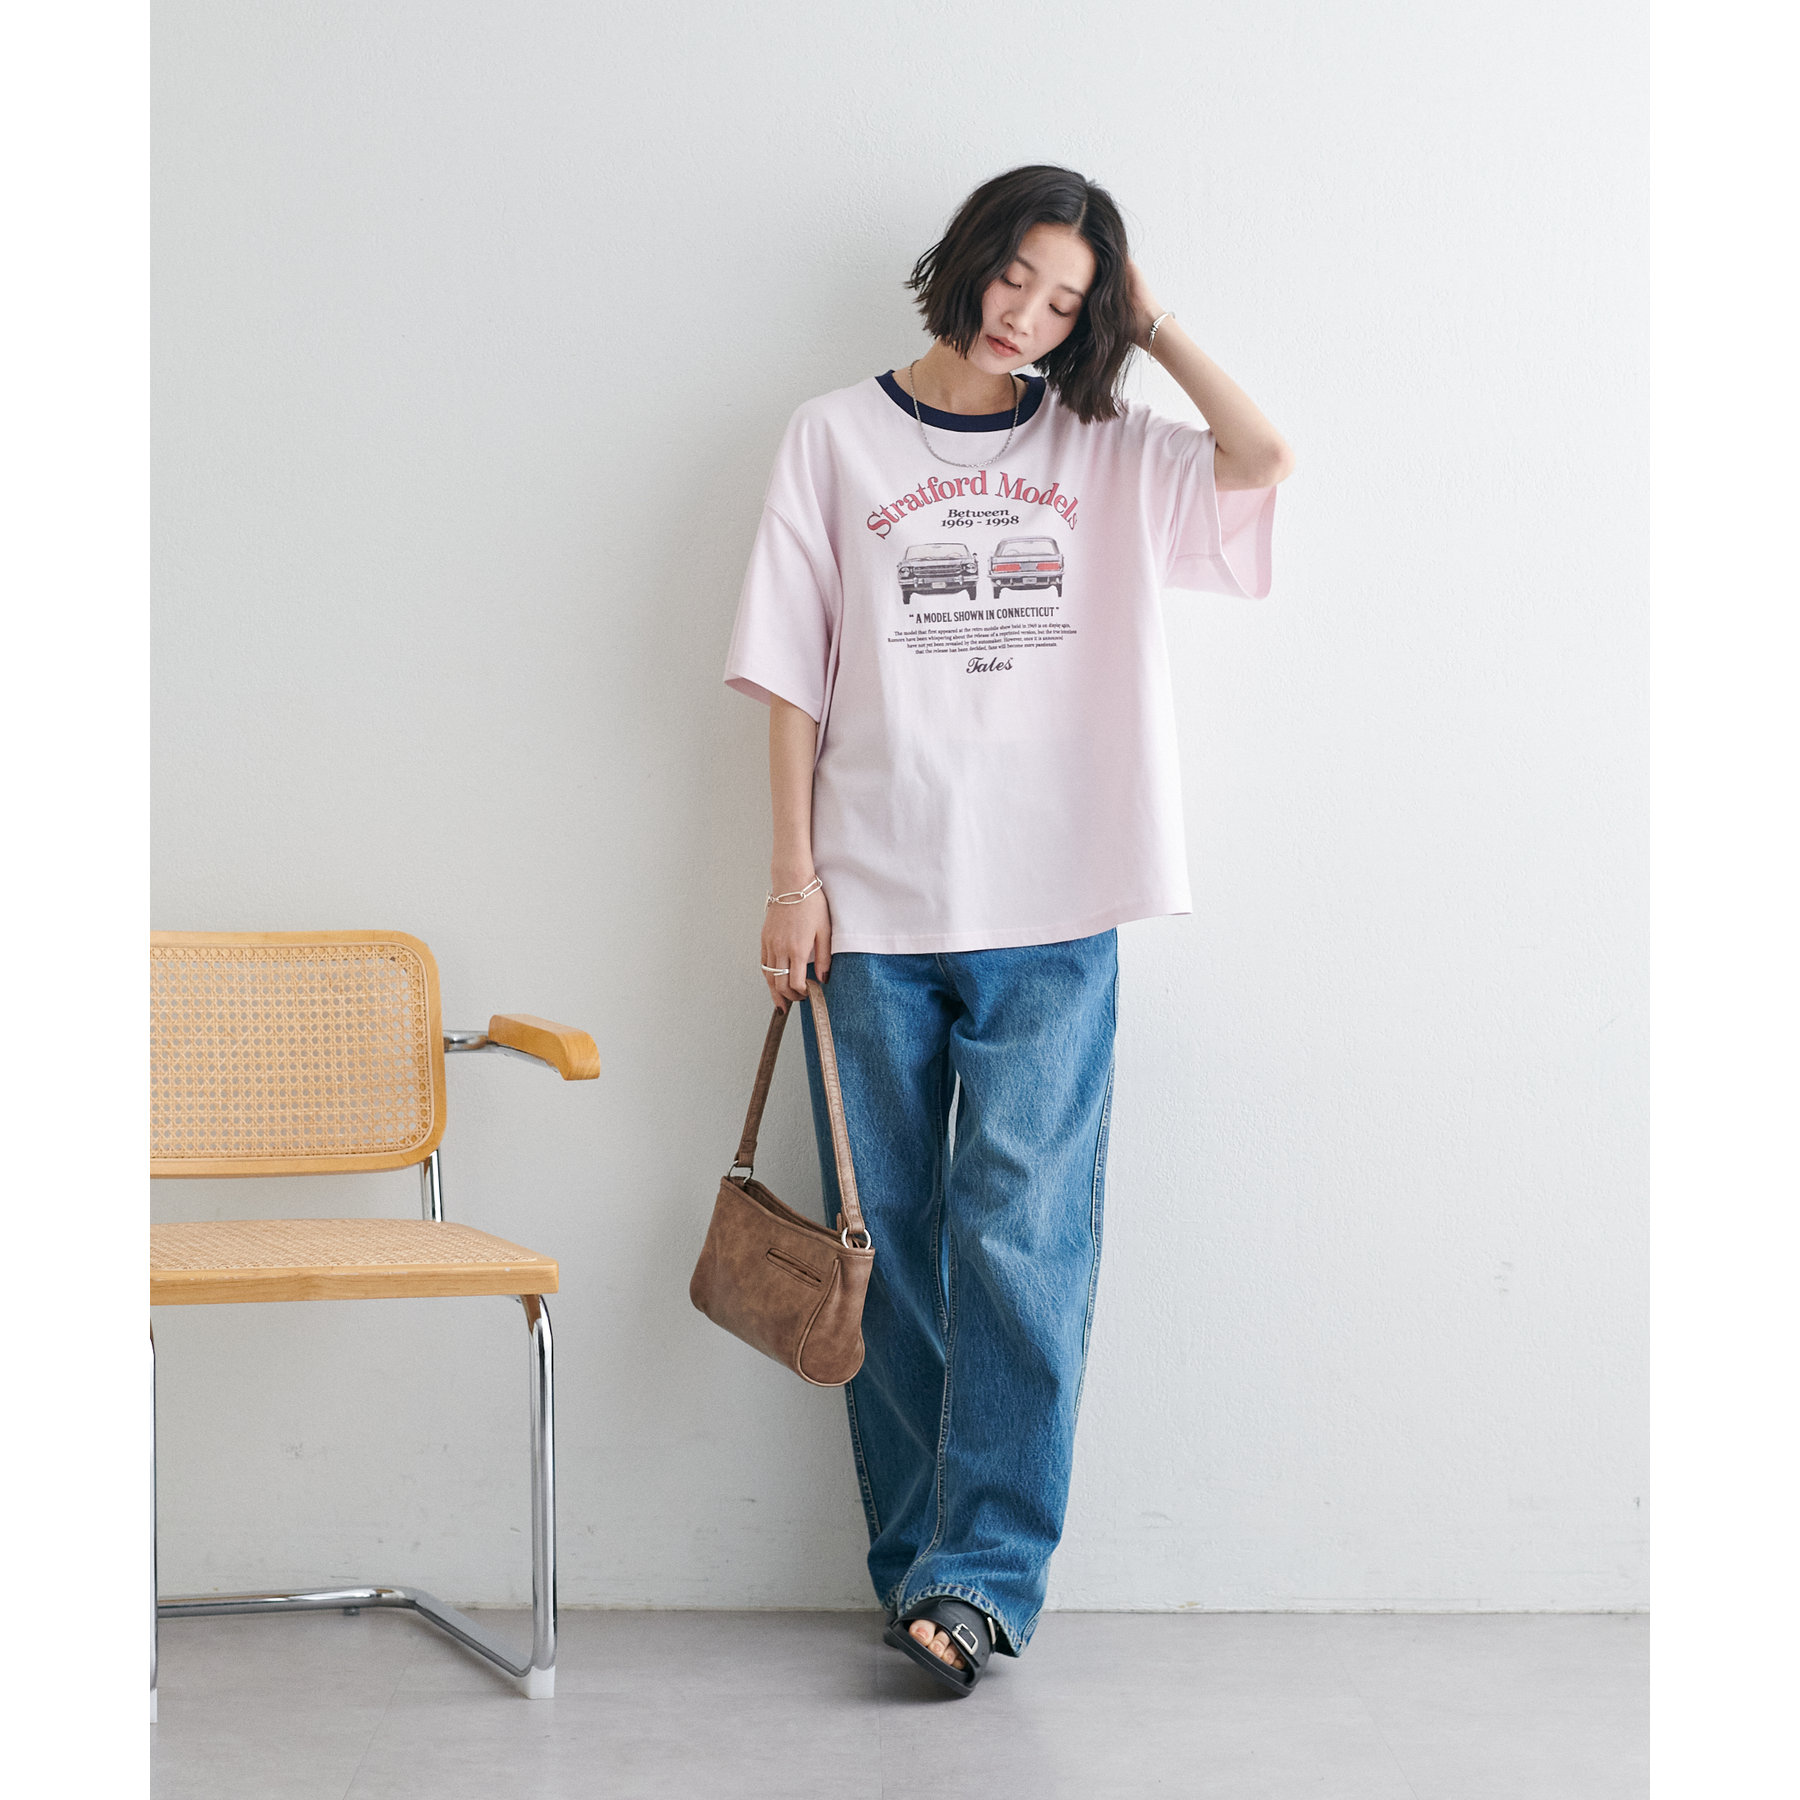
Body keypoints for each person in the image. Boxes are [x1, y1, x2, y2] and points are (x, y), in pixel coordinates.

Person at [723, 164, 1294, 1696]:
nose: (1028, 317)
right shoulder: (833, 438)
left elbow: (1261, 457)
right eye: (1016, 278)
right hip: (870, 907)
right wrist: (791, 874)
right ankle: (918, 1561)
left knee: (1023, 1243)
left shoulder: (1099, 443)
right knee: (885, 1247)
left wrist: (1147, 326)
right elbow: (789, 670)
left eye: (1066, 300)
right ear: (968, 257)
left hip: (1055, 907)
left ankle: (980, 1581)